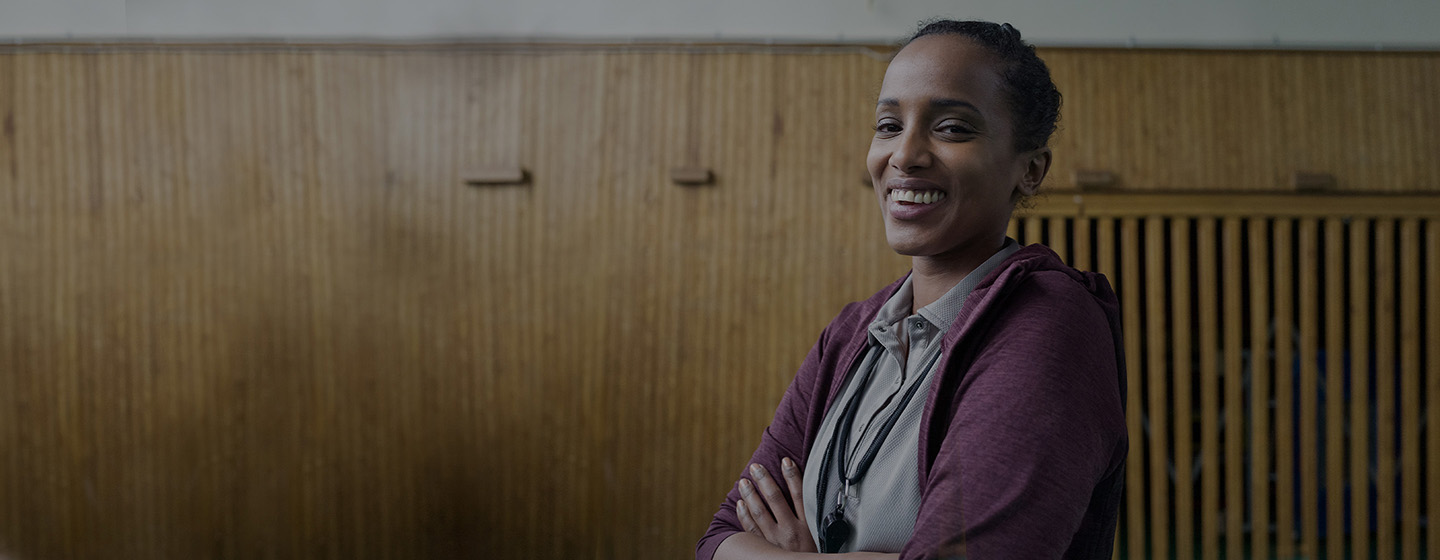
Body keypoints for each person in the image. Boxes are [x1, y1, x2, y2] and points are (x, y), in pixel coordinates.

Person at [695, 20, 1128, 560]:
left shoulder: (1049, 324)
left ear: (1031, 170)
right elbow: (717, 542)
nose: (905, 154)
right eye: (888, 125)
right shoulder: (853, 332)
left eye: (951, 128)